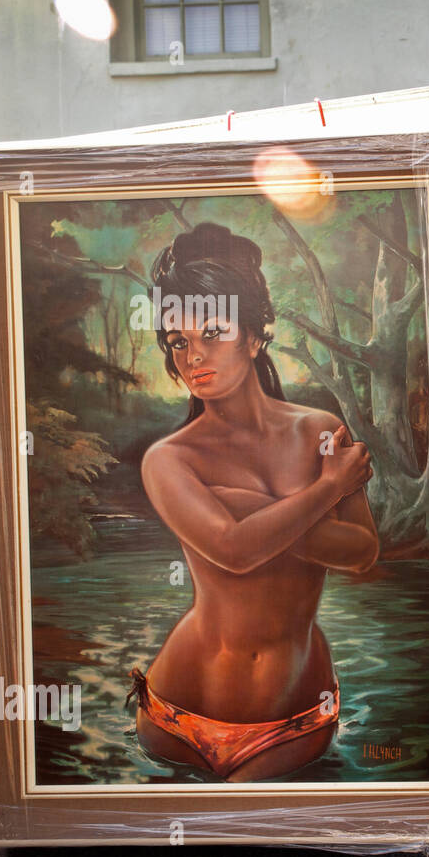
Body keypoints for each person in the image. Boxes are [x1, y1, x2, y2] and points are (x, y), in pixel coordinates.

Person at [133, 223, 380, 782]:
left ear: (253, 335)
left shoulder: (320, 431)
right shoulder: (169, 459)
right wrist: (325, 492)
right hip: (177, 713)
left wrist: (245, 508)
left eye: (212, 332)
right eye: (178, 342)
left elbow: (362, 552)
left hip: (295, 717)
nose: (193, 355)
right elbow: (234, 552)